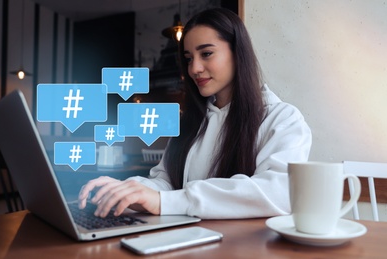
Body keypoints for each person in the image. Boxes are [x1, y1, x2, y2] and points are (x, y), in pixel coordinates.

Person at [78, 8, 312, 219]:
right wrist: (125, 189)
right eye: (188, 58)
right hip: (188, 242)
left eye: (206, 54)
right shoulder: (189, 122)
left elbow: (278, 192)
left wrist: (166, 202)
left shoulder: (282, 119)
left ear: (238, 53)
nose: (194, 69)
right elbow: (165, 182)